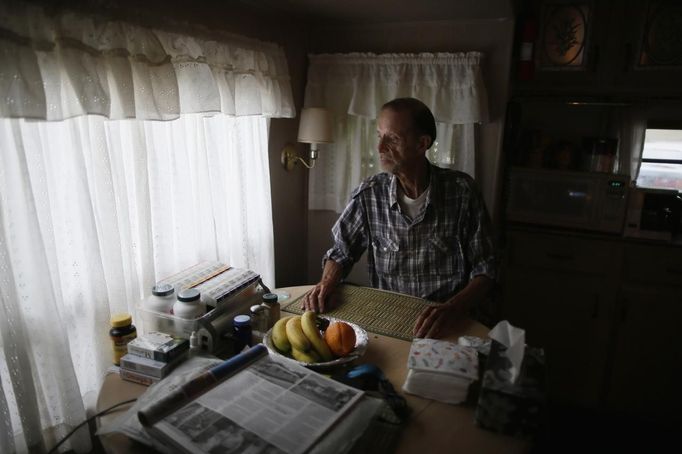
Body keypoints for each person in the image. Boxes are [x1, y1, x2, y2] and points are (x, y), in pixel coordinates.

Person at [303, 97, 496, 339]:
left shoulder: (462, 192)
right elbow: (341, 252)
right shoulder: (369, 194)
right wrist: (326, 283)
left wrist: (453, 308)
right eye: (379, 136)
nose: (380, 148)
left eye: (392, 139)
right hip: (389, 320)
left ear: (421, 144)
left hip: (450, 320)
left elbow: (485, 270)